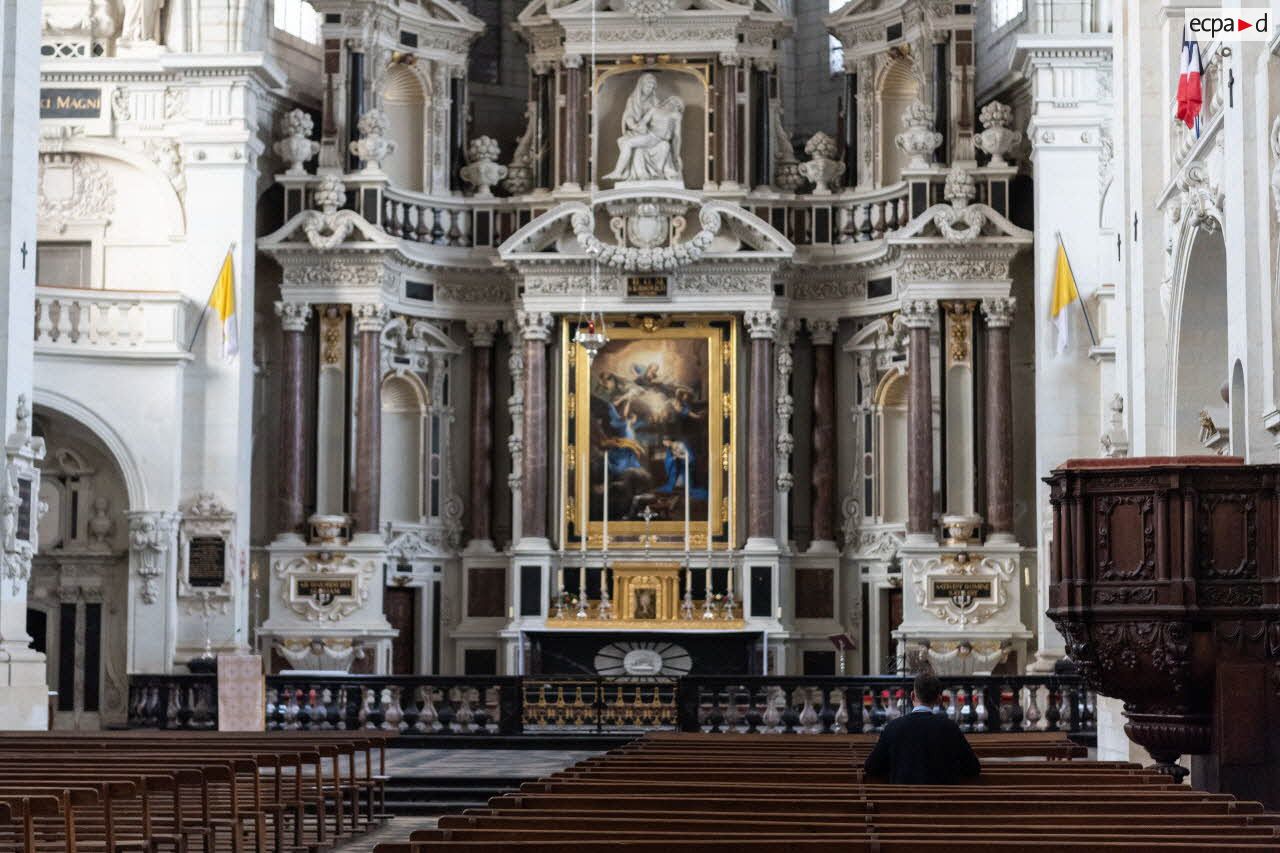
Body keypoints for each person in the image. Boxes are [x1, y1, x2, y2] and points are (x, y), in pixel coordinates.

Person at [862, 671, 981, 784]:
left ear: (912, 696)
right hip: (943, 802)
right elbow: (973, 768)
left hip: (902, 802)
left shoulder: (893, 727)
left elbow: (871, 767)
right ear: (939, 699)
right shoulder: (950, 728)